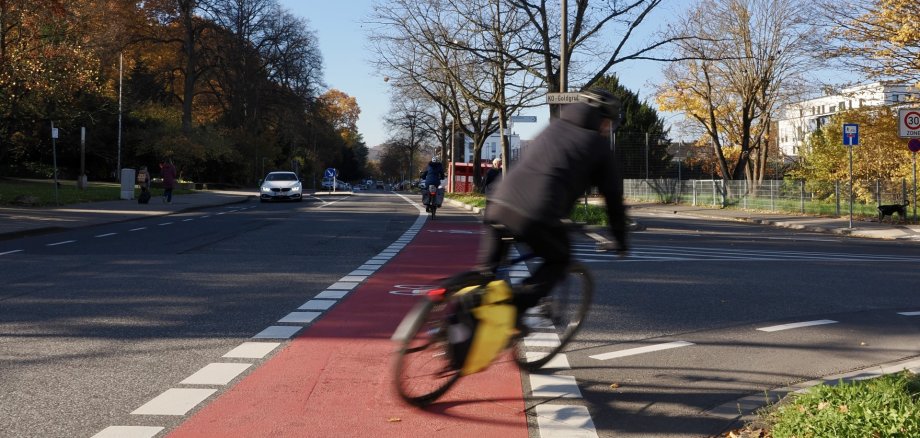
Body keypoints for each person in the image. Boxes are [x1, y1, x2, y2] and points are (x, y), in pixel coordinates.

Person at [475, 88, 629, 317]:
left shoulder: (554, 127)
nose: (609, 129)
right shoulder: (599, 146)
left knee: (483, 277)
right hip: (535, 214)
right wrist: (620, 239)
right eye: (610, 123)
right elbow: (613, 199)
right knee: (559, 259)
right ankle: (513, 309)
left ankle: (461, 313)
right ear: (604, 120)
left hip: (498, 202)